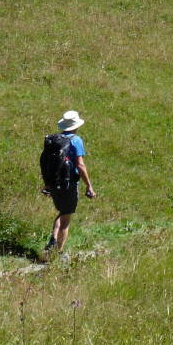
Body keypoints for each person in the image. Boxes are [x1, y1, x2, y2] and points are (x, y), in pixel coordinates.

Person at [42, 110, 97, 258]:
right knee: (66, 218)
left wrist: (47, 184)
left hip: (53, 183)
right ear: (76, 125)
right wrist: (89, 185)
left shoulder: (54, 140)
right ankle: (57, 253)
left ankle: (53, 240)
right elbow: (80, 165)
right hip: (69, 183)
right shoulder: (75, 140)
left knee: (62, 212)